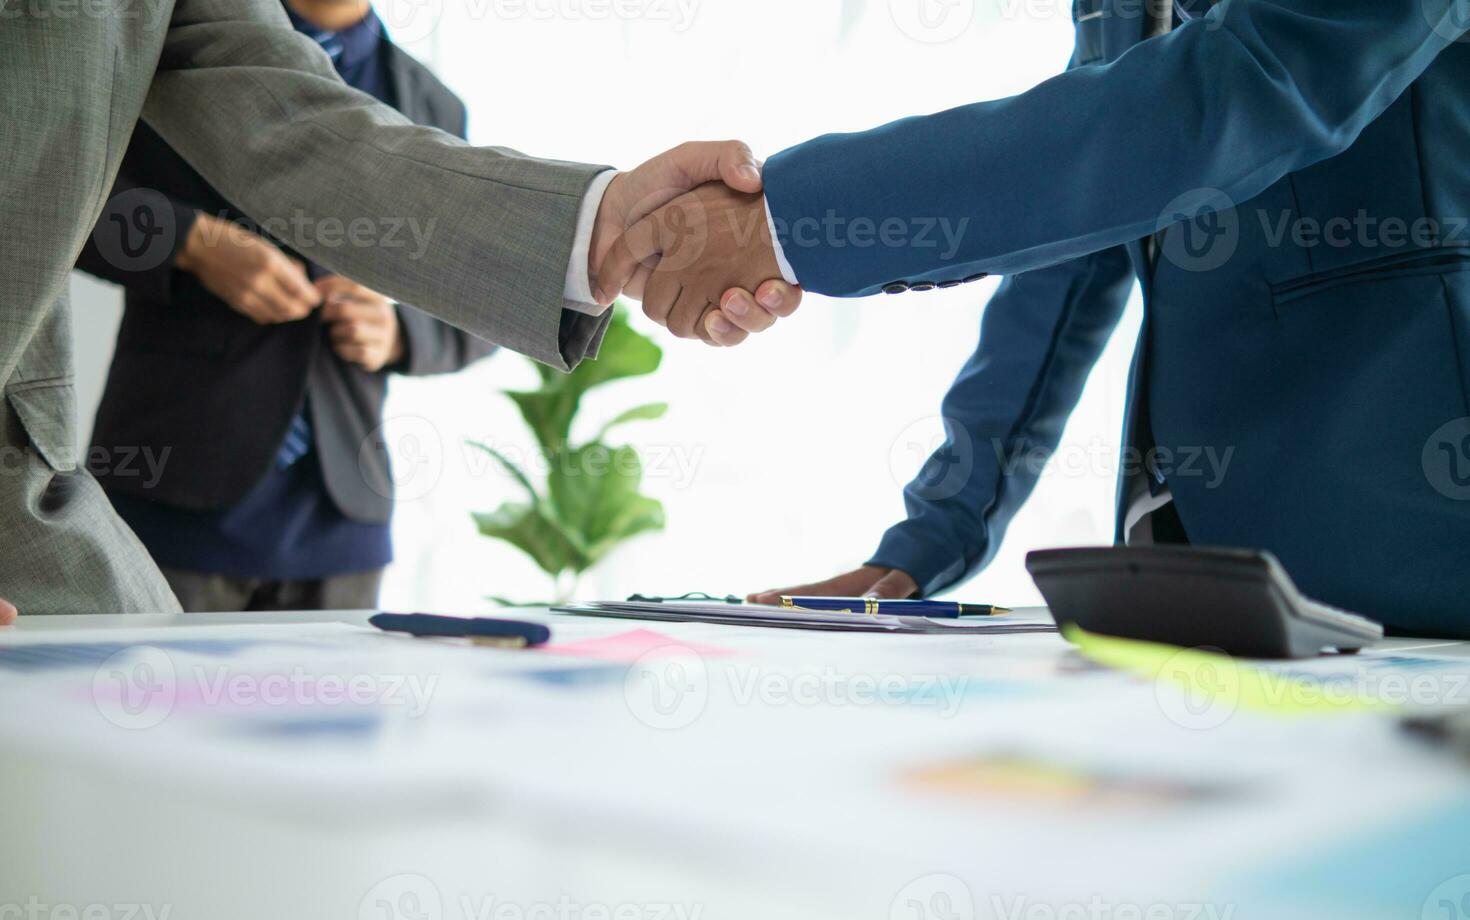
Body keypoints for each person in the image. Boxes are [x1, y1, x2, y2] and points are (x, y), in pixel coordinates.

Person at [603, 0, 1470, 637]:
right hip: (1212, 596)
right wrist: (931, 537)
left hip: (1425, 572)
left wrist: (788, 220)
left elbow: (1225, 98)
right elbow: (1074, 246)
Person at [0, 0, 799, 619]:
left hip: (340, 498)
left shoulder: (424, 96)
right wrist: (189, 243)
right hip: (173, 470)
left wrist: (602, 231)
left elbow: (306, 139)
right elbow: (74, 196)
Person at [75, 0, 500, 612]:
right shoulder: (172, 50)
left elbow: (483, 297)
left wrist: (401, 331)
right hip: (169, 486)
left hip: (342, 518)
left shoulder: (434, 105)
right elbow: (54, 194)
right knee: (153, 705)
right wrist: (190, 242)